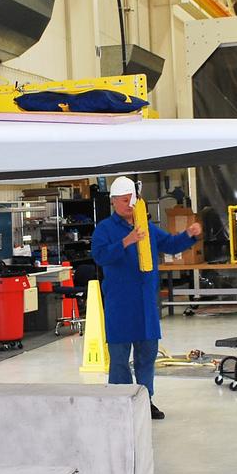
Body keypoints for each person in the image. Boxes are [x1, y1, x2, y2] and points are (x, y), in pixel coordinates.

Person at [91, 175, 201, 420]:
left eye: (132, 199)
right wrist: (127, 242)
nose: (129, 204)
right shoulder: (105, 229)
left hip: (146, 304)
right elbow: (100, 256)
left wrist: (189, 235)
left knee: (146, 356)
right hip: (120, 304)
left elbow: (170, 244)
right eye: (124, 200)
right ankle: (120, 402)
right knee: (119, 358)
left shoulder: (146, 227)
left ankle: (145, 400)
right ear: (114, 202)